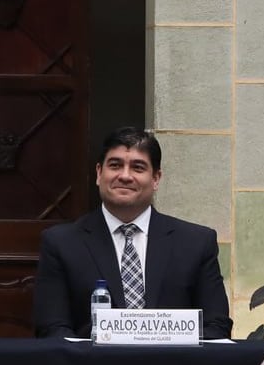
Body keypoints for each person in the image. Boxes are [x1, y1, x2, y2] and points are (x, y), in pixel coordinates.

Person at [32, 126, 232, 339]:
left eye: (138, 168)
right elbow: (52, 328)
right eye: (115, 165)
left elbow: (217, 326)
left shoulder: (196, 243)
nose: (125, 176)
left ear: (156, 178)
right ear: (99, 173)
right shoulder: (61, 243)